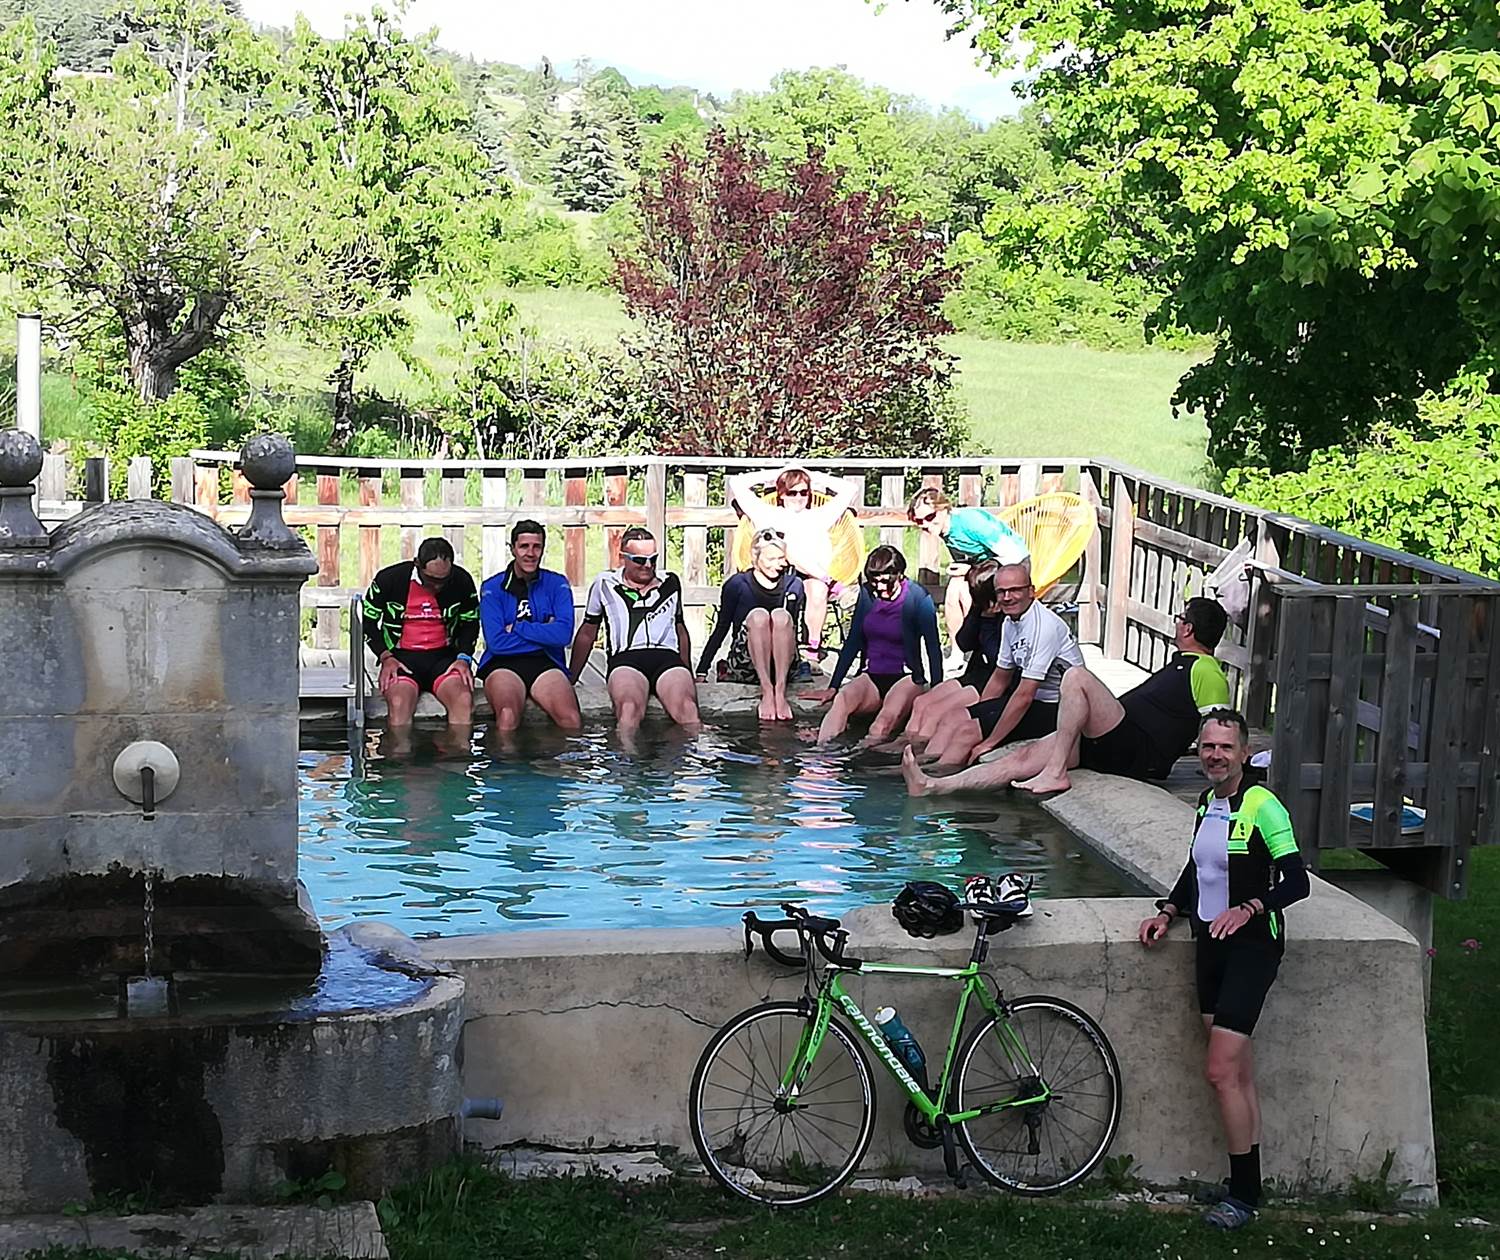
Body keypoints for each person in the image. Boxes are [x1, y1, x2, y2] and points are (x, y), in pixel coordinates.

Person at [1139, 708, 1309, 1231]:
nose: (1215, 755)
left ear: (1243, 753)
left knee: (1219, 1071)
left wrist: (1251, 907)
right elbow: (1197, 869)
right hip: (1209, 946)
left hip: (1253, 949)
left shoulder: (1263, 807)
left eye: (1226, 748)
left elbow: (1297, 882)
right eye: (1208, 746)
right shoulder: (1206, 805)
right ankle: (1247, 1187)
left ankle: (1240, 1199)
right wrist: (1168, 912)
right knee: (1237, 1072)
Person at [902, 596, 1231, 797]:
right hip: (1116, 741)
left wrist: (1223, 777)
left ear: (1187, 628)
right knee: (1022, 758)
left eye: (1180, 618)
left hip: (1138, 752)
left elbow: (1220, 726)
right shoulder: (1183, 665)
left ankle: (1056, 771)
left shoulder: (1206, 670)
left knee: (1076, 676)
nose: (1176, 624)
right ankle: (933, 786)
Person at [919, 561, 1084, 768]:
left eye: (1015, 590)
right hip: (1035, 701)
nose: (1007, 597)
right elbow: (1000, 678)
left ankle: (937, 779)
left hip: (1058, 708)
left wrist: (988, 742)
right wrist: (979, 711)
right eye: (1002, 592)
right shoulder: (1010, 621)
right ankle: (923, 765)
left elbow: (1024, 696)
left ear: (1031, 591)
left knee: (967, 731)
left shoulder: (1043, 627)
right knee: (954, 717)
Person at [568, 526, 700, 738]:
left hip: (666, 658)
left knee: (688, 710)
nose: (648, 566)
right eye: (639, 560)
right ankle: (627, 767)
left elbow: (680, 629)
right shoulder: (605, 583)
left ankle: (686, 766)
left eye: (653, 559)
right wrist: (571, 677)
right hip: (625, 660)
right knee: (629, 710)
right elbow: (587, 632)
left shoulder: (670, 583)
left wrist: (689, 672)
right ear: (623, 558)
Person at [808, 545, 942, 743]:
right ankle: (821, 757)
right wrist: (833, 685)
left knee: (883, 723)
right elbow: (853, 640)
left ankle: (861, 760)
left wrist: (937, 691)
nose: (879, 587)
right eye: (874, 582)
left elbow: (933, 647)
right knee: (842, 700)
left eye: (885, 582)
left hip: (906, 677)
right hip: (871, 675)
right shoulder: (867, 594)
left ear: (900, 575)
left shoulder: (918, 598)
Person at [727, 464, 858, 661]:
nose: (798, 497)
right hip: (780, 570)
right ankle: (834, 585)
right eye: (792, 492)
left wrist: (809, 474)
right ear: (781, 494)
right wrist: (782, 472)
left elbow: (850, 489)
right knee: (788, 547)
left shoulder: (820, 515)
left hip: (813, 573)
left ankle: (812, 651)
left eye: (803, 492)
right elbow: (737, 482)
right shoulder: (767, 513)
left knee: (819, 591)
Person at [361, 536, 480, 730]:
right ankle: (399, 757)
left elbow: (471, 622)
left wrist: (464, 656)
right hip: (401, 657)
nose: (437, 586)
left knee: (464, 700)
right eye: (431, 580)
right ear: (417, 564)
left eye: (444, 580)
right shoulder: (390, 579)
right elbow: (367, 622)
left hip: (443, 657)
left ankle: (458, 758)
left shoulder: (461, 580)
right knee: (399, 703)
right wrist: (385, 656)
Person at [475, 520, 582, 733]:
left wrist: (517, 627)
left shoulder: (557, 583)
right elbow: (496, 643)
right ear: (513, 548)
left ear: (543, 549)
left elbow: (563, 635)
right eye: (524, 546)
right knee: (507, 717)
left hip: (545, 661)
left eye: (537, 547)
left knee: (571, 720)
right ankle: (507, 766)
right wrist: (544, 632)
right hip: (502, 663)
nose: (530, 553)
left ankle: (555, 766)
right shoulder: (492, 588)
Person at [907, 487, 1030, 670]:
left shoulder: (970, 522)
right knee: (955, 587)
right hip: (986, 569)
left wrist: (971, 570)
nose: (925, 524)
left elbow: (1013, 554)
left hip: (1014, 565)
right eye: (918, 520)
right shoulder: (945, 530)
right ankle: (958, 652)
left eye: (930, 517)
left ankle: (974, 648)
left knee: (966, 591)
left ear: (943, 509)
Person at [695, 529, 805, 722]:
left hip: (781, 664)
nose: (778, 565)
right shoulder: (737, 584)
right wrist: (702, 670)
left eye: (781, 559)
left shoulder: (793, 585)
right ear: (756, 556)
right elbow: (722, 627)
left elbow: (792, 630)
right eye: (771, 559)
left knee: (780, 616)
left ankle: (779, 691)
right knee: (758, 616)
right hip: (747, 663)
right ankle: (766, 690)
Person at [901, 559, 1006, 747]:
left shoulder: (1008, 617)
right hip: (975, 674)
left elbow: (997, 658)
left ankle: (920, 752)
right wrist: (976, 612)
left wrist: (989, 620)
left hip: (993, 682)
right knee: (922, 703)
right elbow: (964, 643)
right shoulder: (981, 610)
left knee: (935, 711)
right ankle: (905, 744)